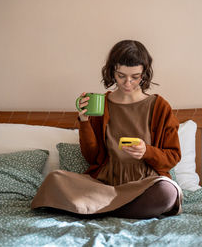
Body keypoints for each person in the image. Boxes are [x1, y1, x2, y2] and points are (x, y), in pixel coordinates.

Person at [31, 40, 182, 219]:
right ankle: (120, 209)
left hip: (145, 184)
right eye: (121, 76)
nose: (128, 83)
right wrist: (84, 121)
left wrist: (146, 152)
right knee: (54, 179)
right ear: (112, 71)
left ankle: (94, 210)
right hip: (105, 185)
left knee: (167, 192)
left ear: (145, 73)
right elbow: (92, 157)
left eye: (135, 76)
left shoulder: (160, 106)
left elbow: (173, 157)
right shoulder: (101, 104)